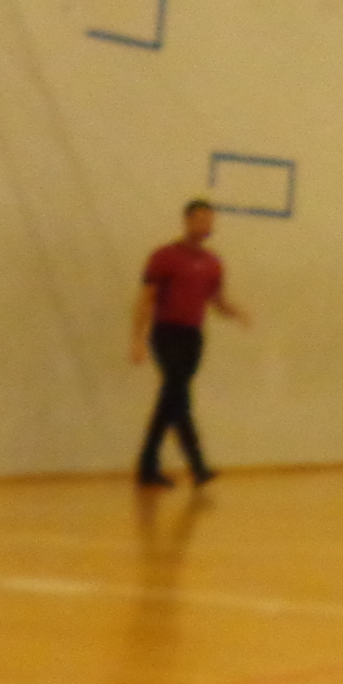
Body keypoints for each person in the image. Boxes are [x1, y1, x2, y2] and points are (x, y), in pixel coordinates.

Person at [130, 199, 247, 486]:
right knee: (177, 394)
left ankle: (149, 466)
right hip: (166, 333)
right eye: (201, 219)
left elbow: (217, 300)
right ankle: (197, 465)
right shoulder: (164, 256)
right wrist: (137, 339)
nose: (207, 224)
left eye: (210, 220)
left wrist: (235, 312)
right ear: (187, 220)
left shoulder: (213, 262)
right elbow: (146, 299)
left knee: (172, 398)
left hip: (193, 337)